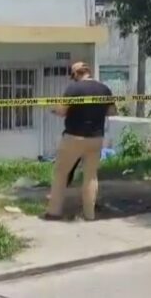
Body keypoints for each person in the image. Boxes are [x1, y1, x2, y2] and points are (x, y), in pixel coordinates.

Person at [44, 62, 116, 221]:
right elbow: (112, 111)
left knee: (61, 173)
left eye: (73, 76)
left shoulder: (73, 89)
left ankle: (54, 212)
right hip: (96, 138)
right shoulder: (104, 89)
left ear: (76, 74)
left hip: (74, 137)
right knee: (91, 177)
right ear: (88, 72)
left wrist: (54, 110)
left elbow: (62, 111)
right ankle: (89, 215)